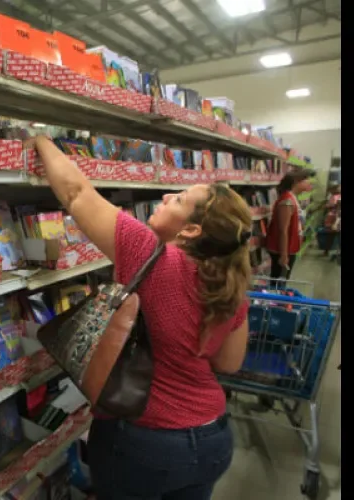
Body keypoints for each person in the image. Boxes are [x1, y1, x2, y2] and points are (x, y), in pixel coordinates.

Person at [27, 136, 252, 500]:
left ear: (191, 231)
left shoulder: (148, 252)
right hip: (213, 438)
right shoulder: (233, 287)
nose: (165, 197)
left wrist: (37, 139)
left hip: (144, 440)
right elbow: (228, 363)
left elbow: (75, 193)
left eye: (178, 199)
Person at [264, 170, 315, 283]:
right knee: (279, 280)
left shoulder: (292, 198)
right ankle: (275, 300)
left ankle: (277, 299)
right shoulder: (287, 201)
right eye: (307, 181)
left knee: (282, 279)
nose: (309, 184)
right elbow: (283, 230)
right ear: (296, 182)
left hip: (289, 247)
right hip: (282, 249)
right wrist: (284, 255)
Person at [321, 185, 341, 258]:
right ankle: (328, 250)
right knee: (333, 236)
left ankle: (327, 250)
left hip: (334, 217)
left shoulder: (334, 197)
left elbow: (330, 205)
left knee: (331, 236)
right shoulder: (334, 196)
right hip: (334, 217)